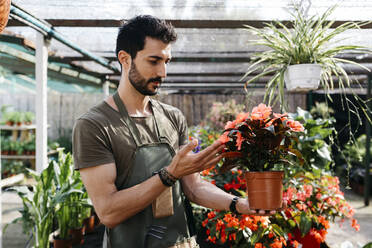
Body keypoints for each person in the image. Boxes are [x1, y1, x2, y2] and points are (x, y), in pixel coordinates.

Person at [73, 15, 277, 248]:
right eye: (154, 61)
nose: (163, 72)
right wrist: (169, 175)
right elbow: (108, 212)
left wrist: (239, 204)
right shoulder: (95, 125)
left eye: (167, 61)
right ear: (125, 59)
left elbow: (194, 188)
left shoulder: (172, 117)